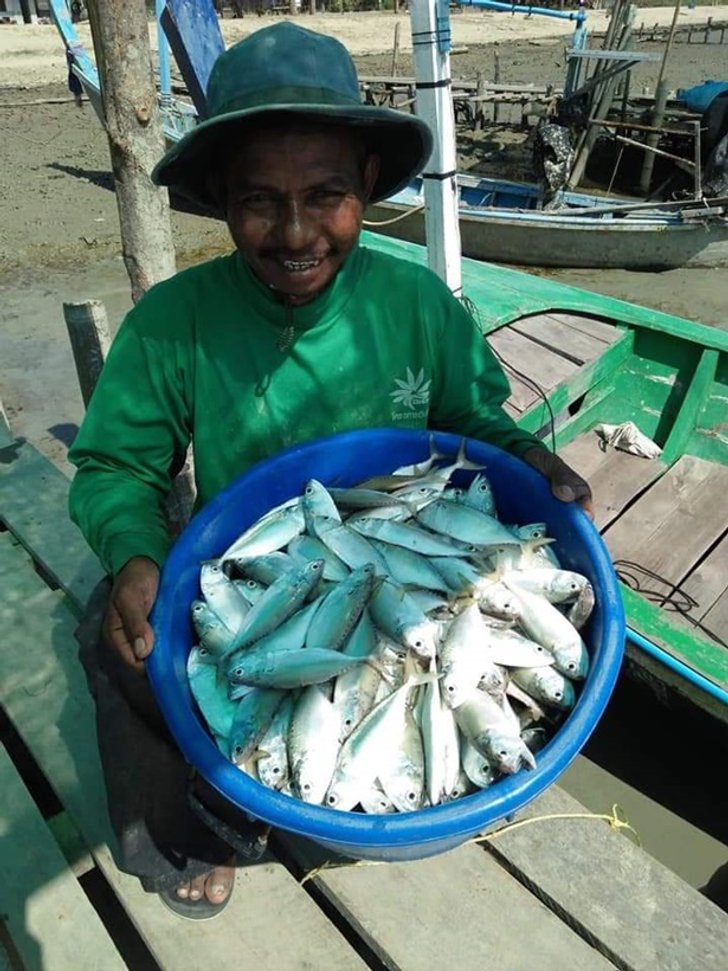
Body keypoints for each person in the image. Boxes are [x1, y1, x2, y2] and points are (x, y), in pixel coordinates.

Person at [68, 22, 592, 920]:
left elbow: (467, 417)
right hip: (258, 563)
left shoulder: (416, 302)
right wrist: (133, 551)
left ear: (368, 190)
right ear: (223, 201)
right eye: (260, 201)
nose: (297, 231)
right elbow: (118, 464)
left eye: (328, 195)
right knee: (111, 638)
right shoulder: (173, 322)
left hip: (403, 548)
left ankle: (325, 784)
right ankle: (184, 834)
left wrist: (523, 454)